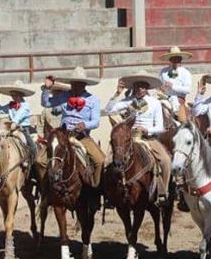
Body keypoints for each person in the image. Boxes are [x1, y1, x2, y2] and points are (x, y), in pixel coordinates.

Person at [106, 71, 172, 204]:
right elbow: (109, 110)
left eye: (142, 86)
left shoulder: (154, 103)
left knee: (165, 160)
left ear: (147, 88)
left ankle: (163, 192)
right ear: (133, 88)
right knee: (107, 162)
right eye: (137, 86)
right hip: (127, 139)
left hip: (148, 138)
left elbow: (160, 127)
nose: (140, 89)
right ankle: (109, 194)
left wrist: (147, 130)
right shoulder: (128, 101)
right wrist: (117, 94)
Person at [39, 67, 105, 188]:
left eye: (79, 83)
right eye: (74, 83)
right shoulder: (63, 96)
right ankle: (45, 189)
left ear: (85, 84)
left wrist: (85, 125)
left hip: (81, 136)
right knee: (39, 160)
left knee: (100, 160)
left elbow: (96, 121)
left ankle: (95, 188)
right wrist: (47, 89)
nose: (76, 86)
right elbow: (46, 103)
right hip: (63, 135)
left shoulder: (93, 100)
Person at [0, 80, 37, 160]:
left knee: (32, 145)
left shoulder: (25, 105)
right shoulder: (11, 105)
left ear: (20, 95)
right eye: (12, 95)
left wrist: (14, 123)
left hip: (23, 128)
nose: (13, 97)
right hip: (11, 128)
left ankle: (33, 160)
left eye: (15, 95)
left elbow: (20, 115)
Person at [159, 46, 193, 122]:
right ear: (170, 59)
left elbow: (187, 90)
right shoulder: (163, 71)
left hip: (178, 101)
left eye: (177, 58)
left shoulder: (185, 72)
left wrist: (173, 86)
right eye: (173, 58)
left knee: (182, 121)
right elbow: (159, 85)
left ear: (180, 59)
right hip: (164, 99)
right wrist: (161, 88)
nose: (175, 60)